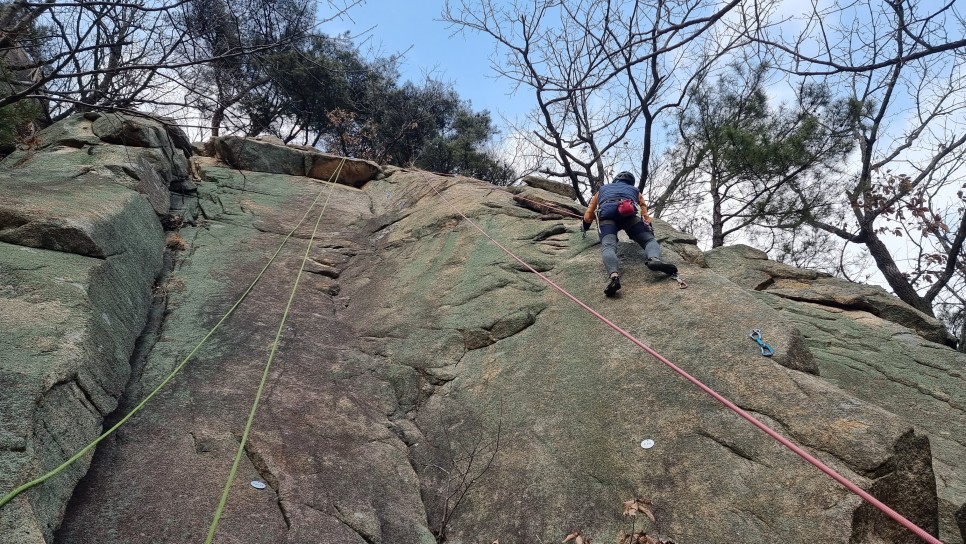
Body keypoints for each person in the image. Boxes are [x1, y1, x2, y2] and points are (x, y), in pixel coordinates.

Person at [581, 171, 677, 296]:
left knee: (608, 246)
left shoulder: (602, 190)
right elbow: (643, 211)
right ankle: (654, 259)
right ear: (631, 183)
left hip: (606, 216)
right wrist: (648, 227)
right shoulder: (635, 190)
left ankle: (614, 277)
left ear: (615, 180)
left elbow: (589, 212)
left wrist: (585, 225)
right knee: (649, 240)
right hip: (628, 213)